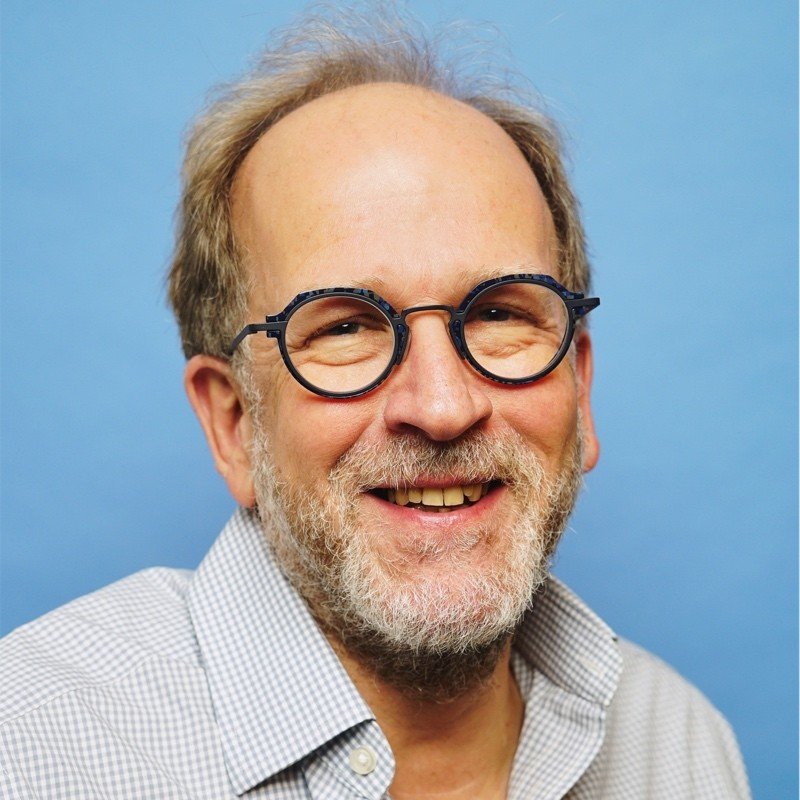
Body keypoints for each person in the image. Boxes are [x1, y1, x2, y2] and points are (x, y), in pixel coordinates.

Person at [0, 7, 750, 799]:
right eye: (346, 327)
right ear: (233, 422)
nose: (443, 406)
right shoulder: (32, 748)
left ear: (580, 388)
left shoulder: (678, 743)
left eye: (499, 314)